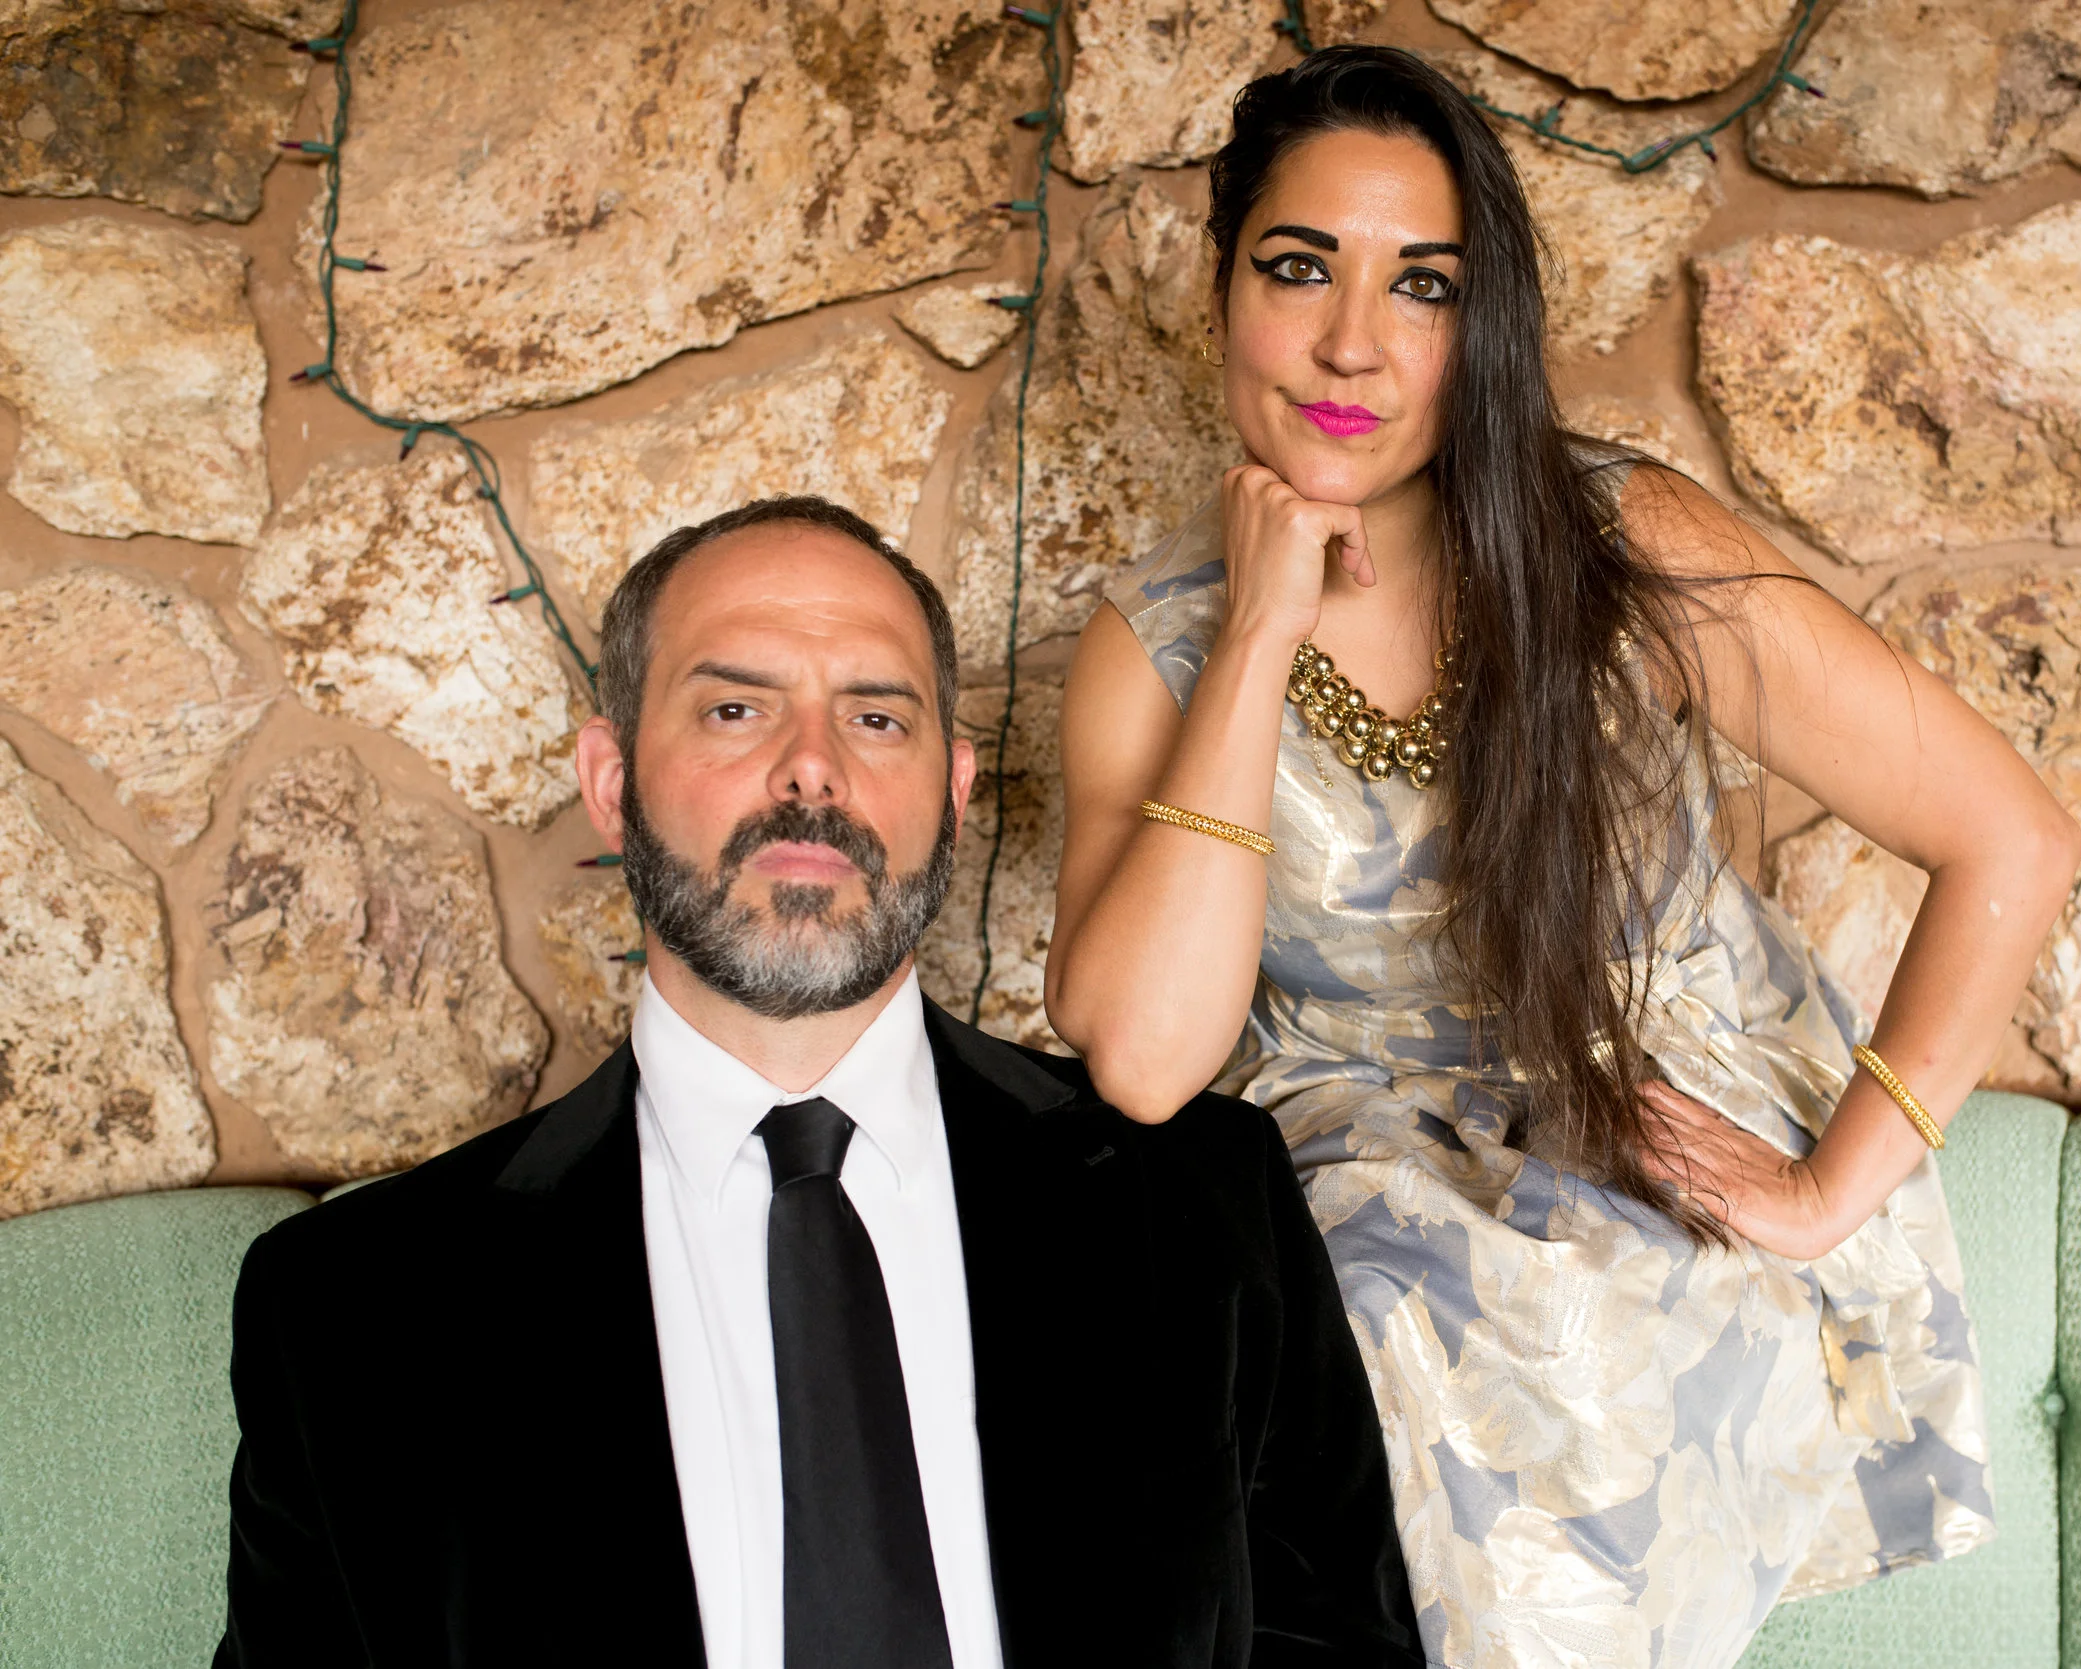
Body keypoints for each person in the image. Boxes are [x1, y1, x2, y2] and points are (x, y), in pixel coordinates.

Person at [1046, 47, 2081, 1669]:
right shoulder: (1153, 641)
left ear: (1485, 325)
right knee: (1285, 1352)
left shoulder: (1620, 542)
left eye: (1425, 286)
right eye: (1300, 266)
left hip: (1634, 1149)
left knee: (1451, 1357)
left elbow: (2010, 835)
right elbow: (1142, 1057)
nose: (1351, 341)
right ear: (1222, 286)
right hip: (1352, 1203)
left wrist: (1829, 1188)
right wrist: (1256, 631)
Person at [216, 496, 1424, 1669]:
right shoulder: (350, 1311)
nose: (811, 769)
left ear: (953, 793)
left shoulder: (1205, 1203)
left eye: (877, 718)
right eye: (735, 709)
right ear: (610, 781)